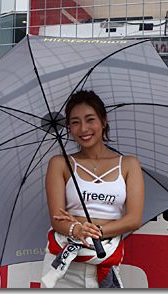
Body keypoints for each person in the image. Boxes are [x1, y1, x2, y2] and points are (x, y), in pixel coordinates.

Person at [41, 90, 145, 288]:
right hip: (64, 263)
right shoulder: (60, 163)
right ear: (69, 127)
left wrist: (94, 231)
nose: (83, 128)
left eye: (90, 119)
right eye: (75, 122)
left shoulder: (129, 164)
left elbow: (134, 220)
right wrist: (76, 229)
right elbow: (57, 218)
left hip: (104, 258)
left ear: (104, 120)